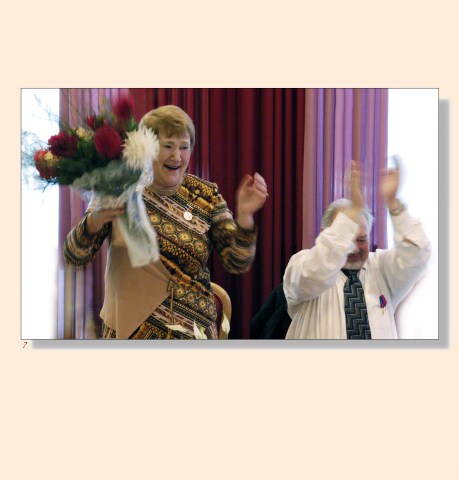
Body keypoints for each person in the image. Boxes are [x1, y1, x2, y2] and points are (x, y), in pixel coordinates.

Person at [64, 105, 268, 339]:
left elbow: (237, 262)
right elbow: (74, 255)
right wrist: (95, 221)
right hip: (133, 334)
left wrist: (245, 216)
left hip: (193, 334)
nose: (177, 156)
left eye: (184, 147)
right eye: (167, 146)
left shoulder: (205, 195)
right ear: (146, 148)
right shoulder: (120, 189)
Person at [283, 161, 431, 339]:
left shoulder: (381, 267)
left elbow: (418, 254)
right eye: (346, 239)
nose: (353, 249)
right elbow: (315, 271)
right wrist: (353, 211)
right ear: (324, 233)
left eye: (361, 240)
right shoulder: (302, 265)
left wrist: (394, 205)